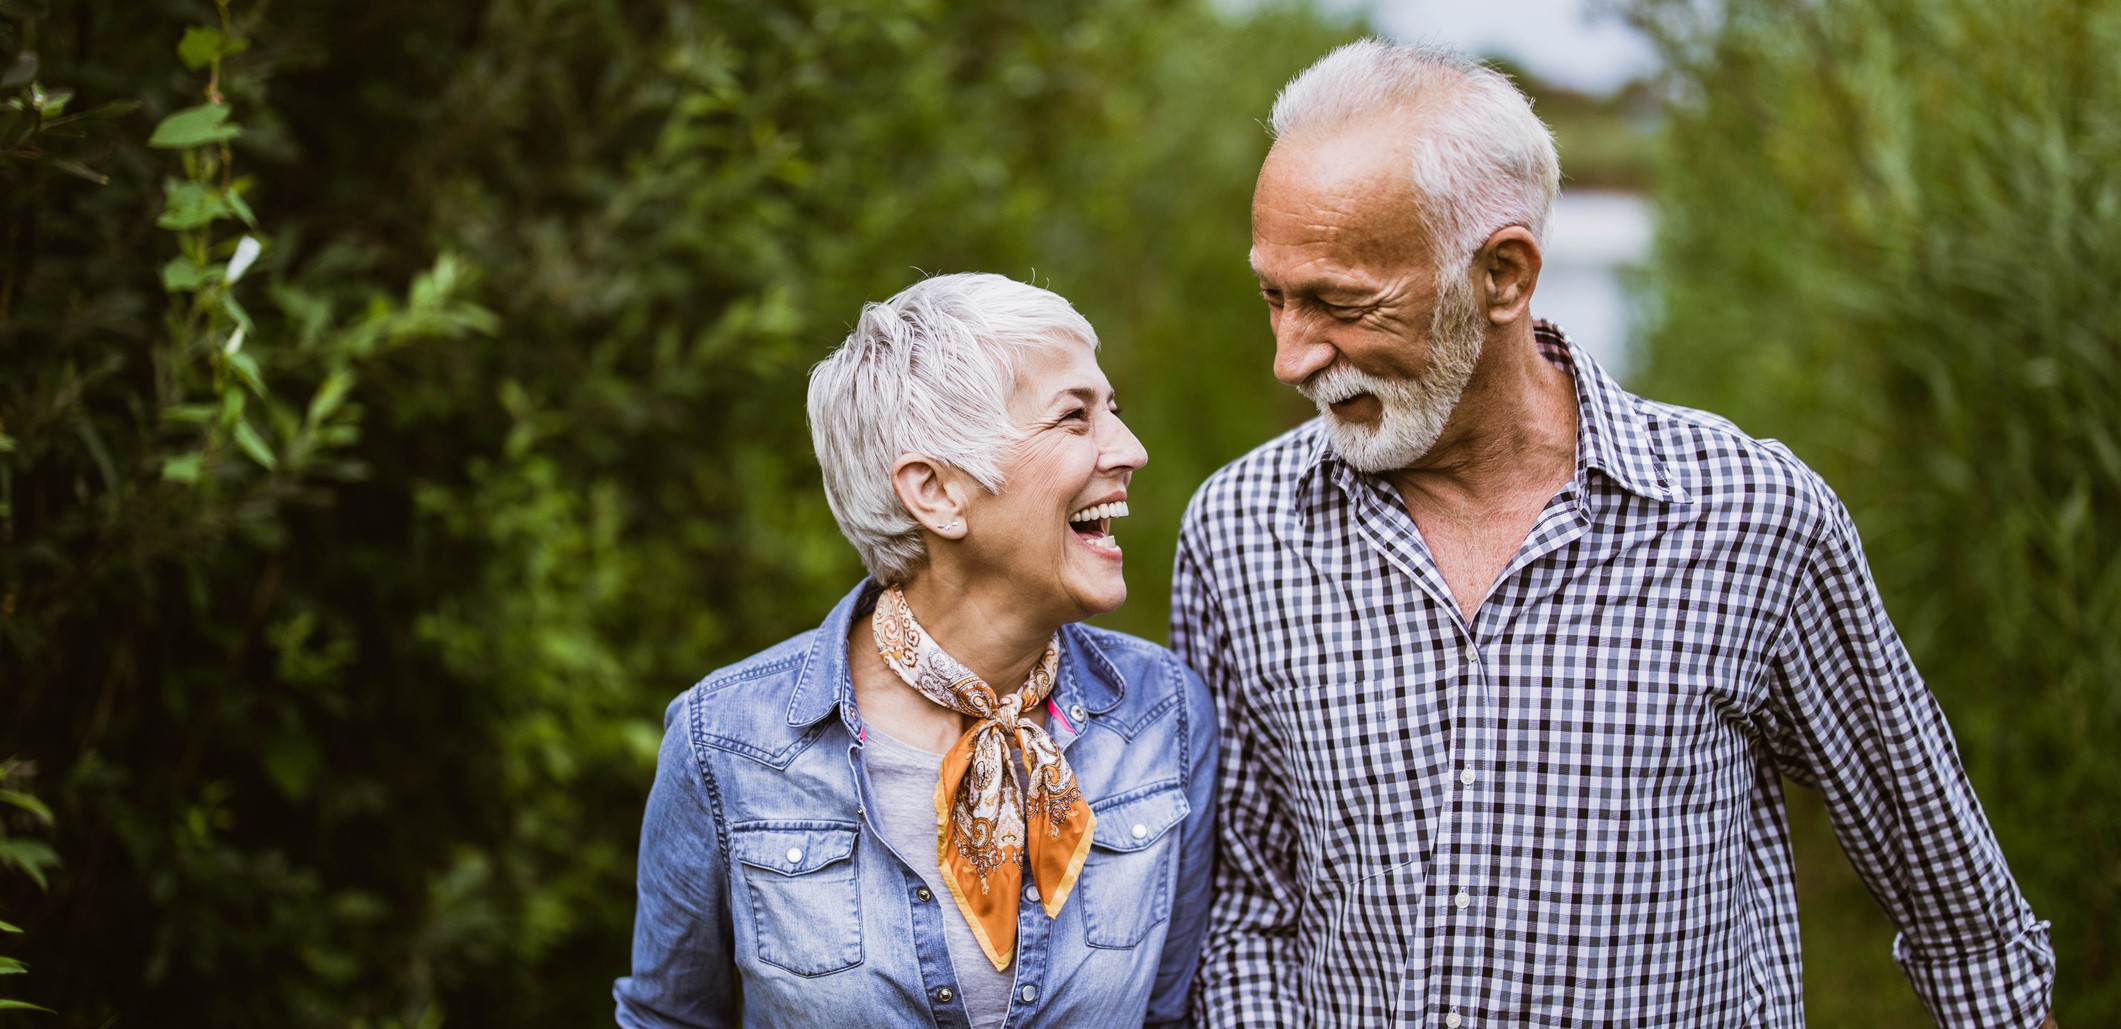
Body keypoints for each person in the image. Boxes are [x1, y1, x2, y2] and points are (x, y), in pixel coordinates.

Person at [1173, 40, 2057, 1028]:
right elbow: (1247, 908)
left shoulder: (1751, 516)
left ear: (1503, 276)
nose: (1291, 357)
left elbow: (1957, 906)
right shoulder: (1238, 533)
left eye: (1340, 302)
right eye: (1273, 295)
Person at [614, 273, 1216, 1028]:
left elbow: (1170, 1015)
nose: (1130, 450)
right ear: (934, 491)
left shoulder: (1166, 716)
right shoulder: (725, 742)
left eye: (1114, 412)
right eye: (1074, 418)